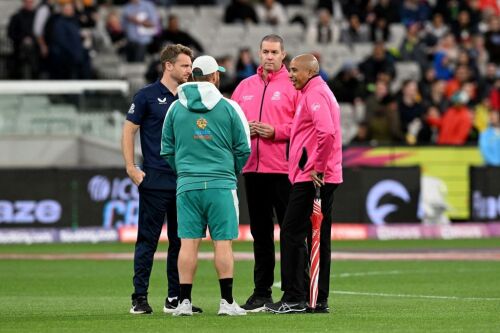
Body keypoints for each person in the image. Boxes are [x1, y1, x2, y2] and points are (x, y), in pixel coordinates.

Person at [160, 55, 251, 316]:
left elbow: (166, 150)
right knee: (222, 243)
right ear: (214, 77)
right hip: (221, 184)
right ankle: (226, 302)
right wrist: (229, 171)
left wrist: (184, 172)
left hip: (187, 184)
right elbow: (244, 148)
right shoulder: (229, 107)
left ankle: (184, 303)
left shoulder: (175, 108)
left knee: (188, 244)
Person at [122, 44, 202, 315]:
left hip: (184, 180)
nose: (189, 71)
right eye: (184, 66)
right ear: (168, 66)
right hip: (155, 178)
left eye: (190, 66)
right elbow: (129, 130)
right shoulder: (146, 95)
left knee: (180, 242)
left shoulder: (191, 96)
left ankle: (175, 298)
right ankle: (139, 298)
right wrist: (131, 167)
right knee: (148, 239)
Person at [265, 54, 342, 314]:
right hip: (318, 175)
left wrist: (317, 166)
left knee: (291, 232)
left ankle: (295, 296)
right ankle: (317, 298)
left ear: (310, 72)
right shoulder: (317, 92)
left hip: (312, 177)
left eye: (295, 70)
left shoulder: (315, 94)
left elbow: (327, 132)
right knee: (317, 236)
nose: (290, 74)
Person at [231, 34, 298, 312]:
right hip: (253, 171)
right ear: (259, 54)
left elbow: (304, 127)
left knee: (291, 233)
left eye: (274, 52)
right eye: (265, 51)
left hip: (283, 170)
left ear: (283, 55)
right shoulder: (244, 87)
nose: (269, 56)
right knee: (260, 233)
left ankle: (296, 291)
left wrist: (276, 131)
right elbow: (230, 123)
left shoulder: (294, 87)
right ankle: (262, 292)